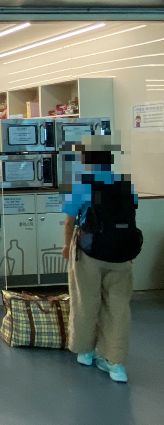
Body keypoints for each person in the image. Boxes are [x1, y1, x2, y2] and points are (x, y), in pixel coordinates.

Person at [61, 135, 142, 383]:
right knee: (118, 306)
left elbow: (70, 221)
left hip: (89, 251)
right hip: (122, 253)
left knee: (86, 300)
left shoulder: (81, 184)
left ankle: (85, 352)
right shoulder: (125, 184)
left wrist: (67, 246)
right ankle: (115, 363)